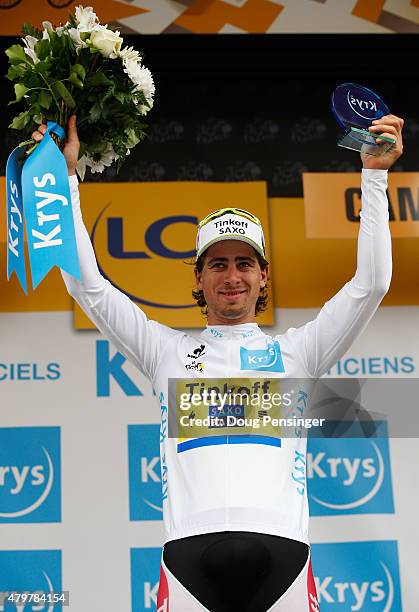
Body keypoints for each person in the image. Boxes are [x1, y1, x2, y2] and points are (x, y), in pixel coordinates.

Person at [33, 114, 403, 612]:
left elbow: (372, 283)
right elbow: (86, 284)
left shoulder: (300, 351)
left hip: (283, 557)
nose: (233, 276)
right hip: (189, 558)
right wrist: (66, 182)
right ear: (200, 277)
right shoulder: (164, 350)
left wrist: (374, 177)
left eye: (245, 263)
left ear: (264, 276)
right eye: (219, 264)